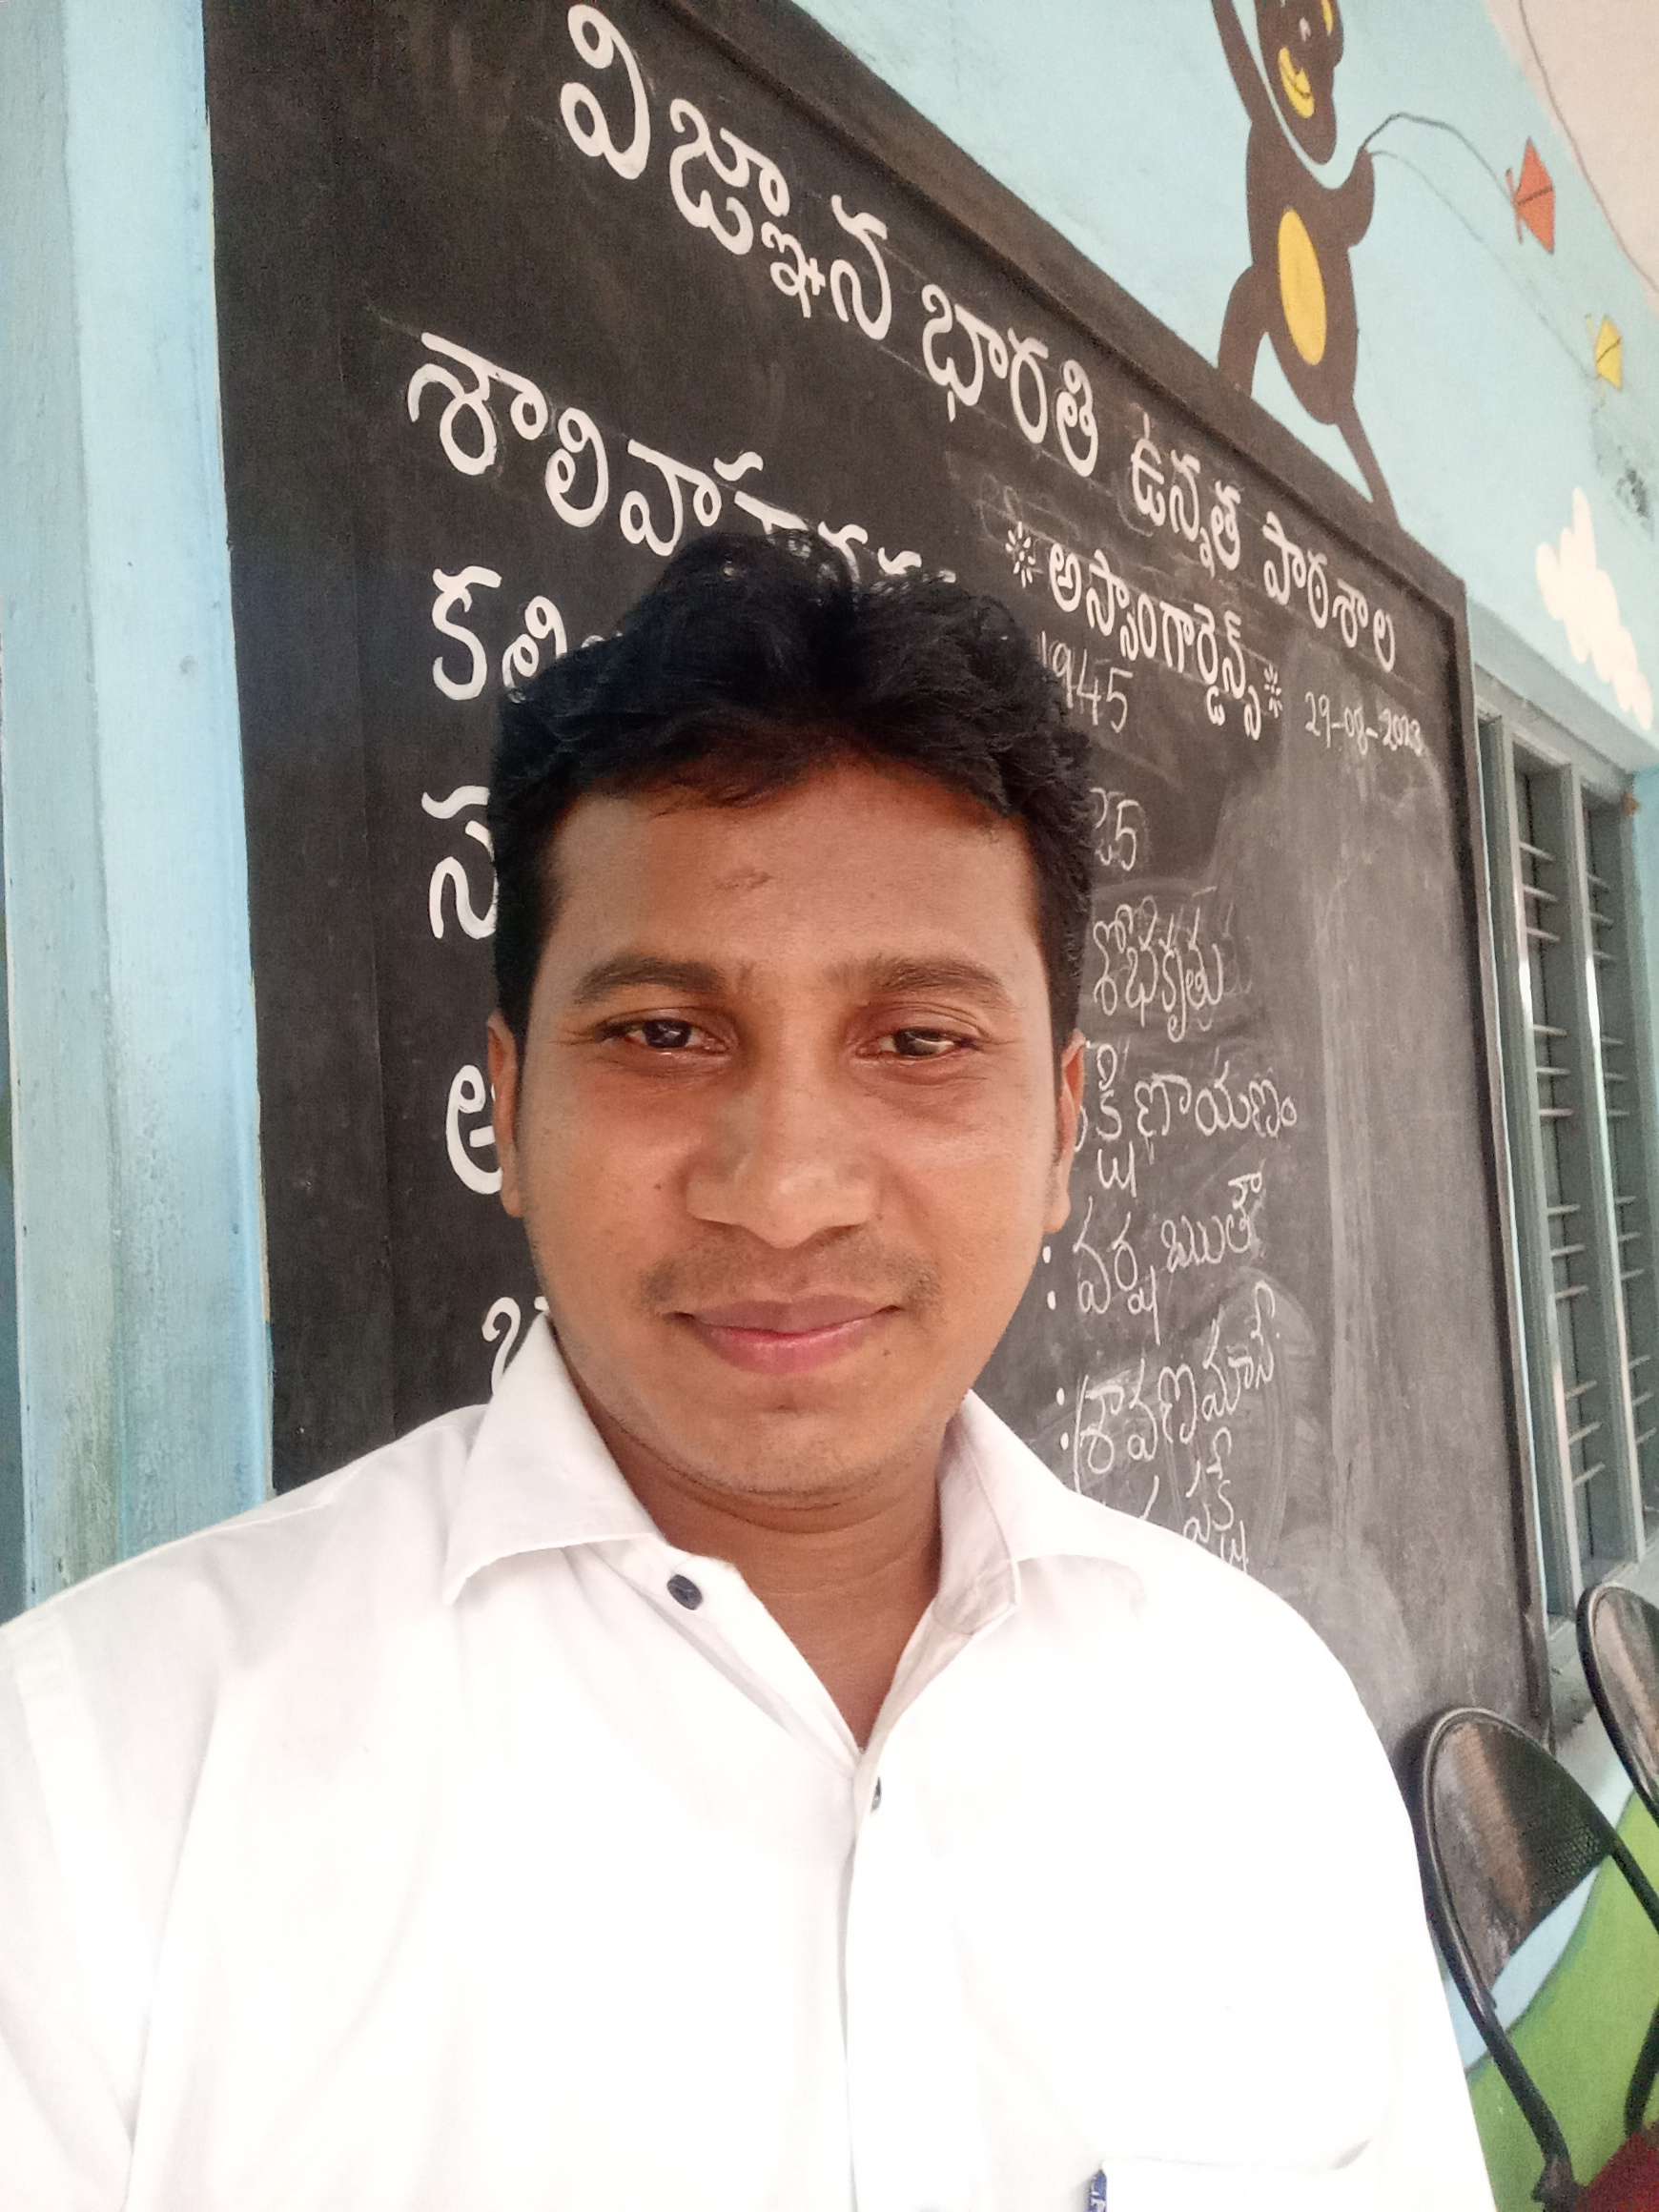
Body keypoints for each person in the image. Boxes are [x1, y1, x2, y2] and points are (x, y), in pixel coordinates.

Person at [0, 533, 1492, 2210]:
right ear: (509, 1102)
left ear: (1066, 1128)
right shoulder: (95, 1792)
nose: (784, 1192)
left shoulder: (1260, 1730)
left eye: (919, 1041)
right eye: (663, 1034)